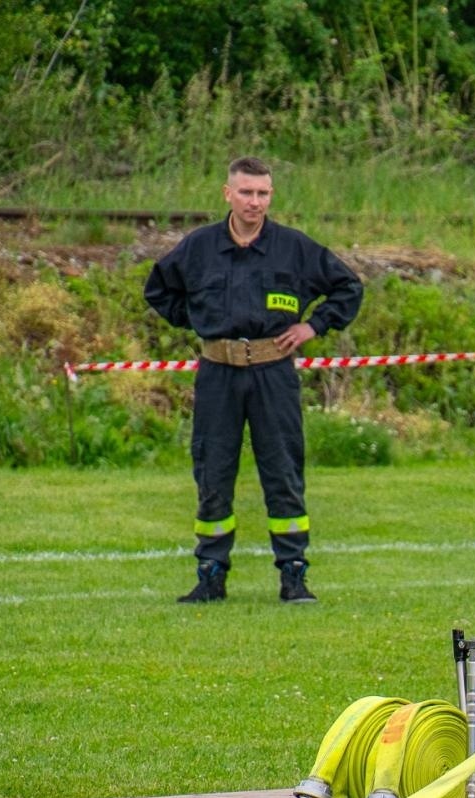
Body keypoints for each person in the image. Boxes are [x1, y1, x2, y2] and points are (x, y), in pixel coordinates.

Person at [145, 156, 363, 604]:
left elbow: (347, 287)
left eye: (263, 193)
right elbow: (158, 289)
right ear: (228, 194)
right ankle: (210, 574)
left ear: (271, 196)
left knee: (282, 472)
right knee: (213, 472)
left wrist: (312, 327)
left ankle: (293, 574)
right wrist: (200, 320)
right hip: (217, 375)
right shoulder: (199, 247)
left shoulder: (293, 249)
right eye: (246, 192)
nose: (255, 202)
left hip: (273, 373)